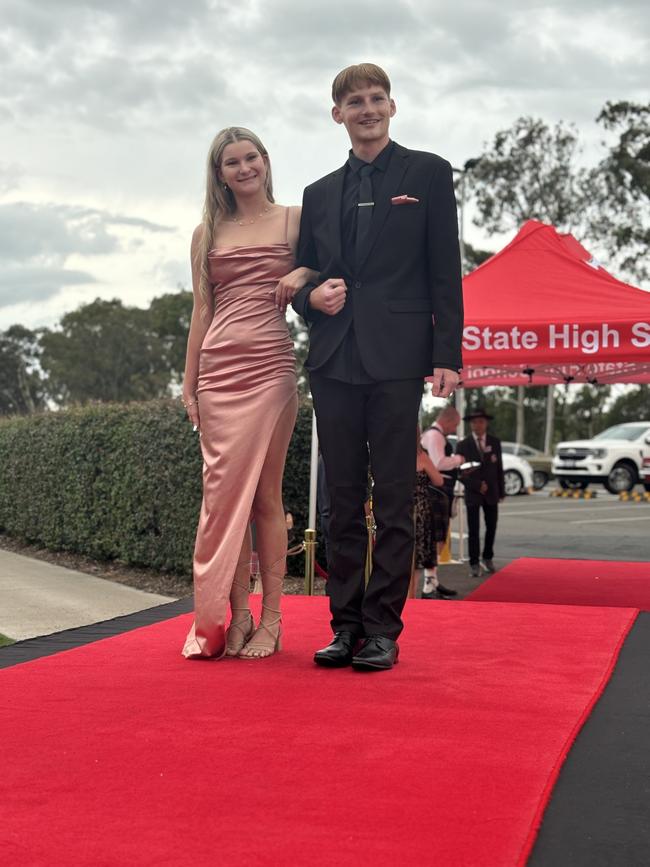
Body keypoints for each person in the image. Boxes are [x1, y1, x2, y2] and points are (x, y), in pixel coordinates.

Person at [292, 63, 464, 671]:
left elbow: (446, 269)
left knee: (393, 497)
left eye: (376, 98)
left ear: (392, 106)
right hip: (335, 359)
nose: (366, 109)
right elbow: (304, 274)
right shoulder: (317, 193)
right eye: (353, 102)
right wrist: (309, 300)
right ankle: (345, 626)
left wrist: (448, 356)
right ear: (336, 113)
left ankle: (384, 627)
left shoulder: (428, 173)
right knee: (339, 501)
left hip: (398, 359)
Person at [181, 127, 316, 660]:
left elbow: (328, 266)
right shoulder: (205, 232)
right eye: (231, 162)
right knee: (223, 502)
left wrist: (302, 270)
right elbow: (201, 310)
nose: (244, 168)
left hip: (270, 368)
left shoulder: (294, 218)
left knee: (264, 497)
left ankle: (274, 619)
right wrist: (189, 384)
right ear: (219, 174)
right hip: (218, 372)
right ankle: (234, 617)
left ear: (265, 161)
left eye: (251, 157)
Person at [420, 405, 465, 598]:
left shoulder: (434, 435)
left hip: (439, 490)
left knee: (439, 536)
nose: (454, 429)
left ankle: (432, 580)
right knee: (436, 536)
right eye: (454, 425)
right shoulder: (435, 436)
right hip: (436, 490)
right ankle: (428, 585)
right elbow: (438, 463)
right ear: (447, 420)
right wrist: (458, 459)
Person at [456, 408, 505, 578]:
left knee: (491, 526)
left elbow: (499, 468)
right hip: (473, 493)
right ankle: (474, 563)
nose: (478, 425)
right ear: (470, 424)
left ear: (486, 423)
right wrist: (477, 485)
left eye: (481, 421)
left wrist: (501, 491)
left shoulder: (495, 442)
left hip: (492, 492)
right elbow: (459, 473)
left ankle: (488, 557)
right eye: (474, 422)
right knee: (474, 530)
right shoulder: (463, 445)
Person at [413, 427, 447, 597]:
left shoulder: (391, 455)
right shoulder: (421, 457)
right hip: (419, 510)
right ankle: (410, 596)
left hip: (397, 508)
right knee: (417, 558)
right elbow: (439, 480)